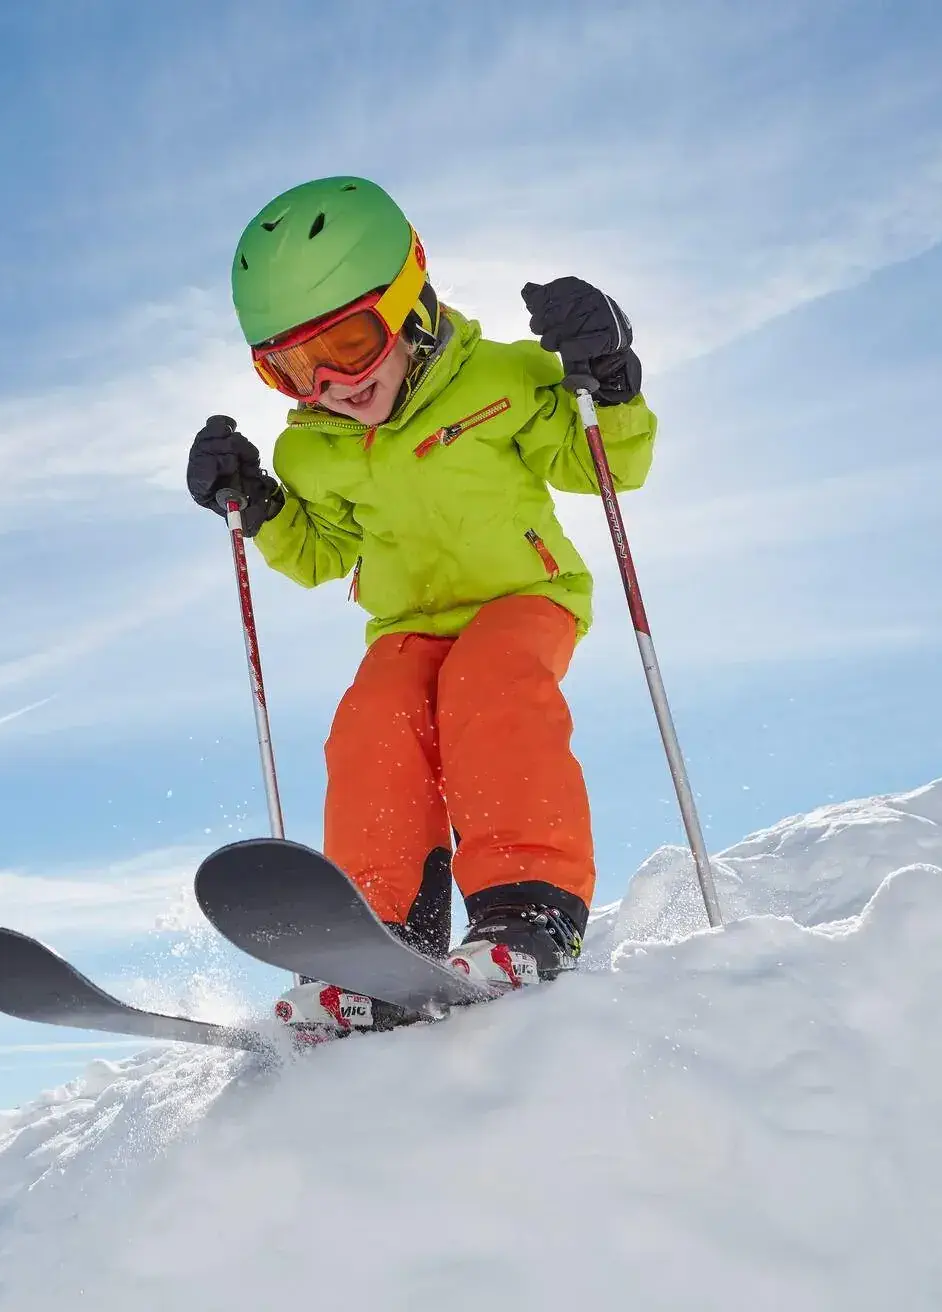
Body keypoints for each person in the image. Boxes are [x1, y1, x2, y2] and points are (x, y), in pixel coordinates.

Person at [185, 176, 656, 1029]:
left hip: (522, 596)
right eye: (293, 366)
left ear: (410, 300)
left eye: (353, 343)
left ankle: (527, 908)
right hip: (408, 625)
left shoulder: (505, 379)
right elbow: (324, 553)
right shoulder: (314, 453)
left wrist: (608, 383)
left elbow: (606, 467)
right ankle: (378, 935)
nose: (331, 381)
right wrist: (260, 504)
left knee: (488, 684)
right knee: (374, 717)